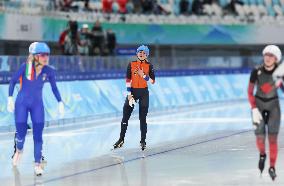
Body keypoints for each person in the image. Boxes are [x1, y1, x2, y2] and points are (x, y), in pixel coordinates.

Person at [7, 42, 65, 176]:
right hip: (21, 103)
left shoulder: (48, 70)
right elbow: (12, 81)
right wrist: (10, 97)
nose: (46, 58)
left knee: (38, 136)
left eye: (48, 55)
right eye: (43, 55)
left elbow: (54, 88)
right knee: (21, 133)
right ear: (35, 57)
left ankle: (37, 164)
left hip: (37, 105)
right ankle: (19, 150)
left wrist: (60, 102)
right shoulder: (26, 67)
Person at [248, 45, 282, 181]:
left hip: (274, 106)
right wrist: (254, 108)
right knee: (260, 138)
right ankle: (262, 154)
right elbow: (249, 92)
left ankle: (272, 167)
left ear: (276, 59)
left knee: (273, 139)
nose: (268, 58)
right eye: (266, 55)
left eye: (271, 56)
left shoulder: (280, 73)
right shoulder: (256, 71)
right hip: (258, 106)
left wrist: (280, 81)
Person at [113, 45, 155, 151]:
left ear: (147, 55)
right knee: (125, 116)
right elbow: (128, 80)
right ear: (137, 53)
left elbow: (153, 81)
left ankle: (143, 140)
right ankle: (121, 139)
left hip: (143, 93)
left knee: (143, 118)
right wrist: (129, 94)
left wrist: (144, 75)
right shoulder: (131, 64)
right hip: (133, 92)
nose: (141, 54)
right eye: (140, 52)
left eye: (144, 53)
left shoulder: (149, 66)